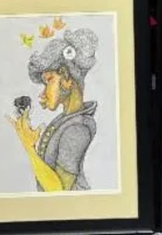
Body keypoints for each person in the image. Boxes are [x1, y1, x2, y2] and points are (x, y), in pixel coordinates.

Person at [10, 28, 98, 191]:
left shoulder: (77, 129)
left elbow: (58, 190)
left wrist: (29, 147)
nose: (43, 93)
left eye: (48, 81)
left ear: (66, 78)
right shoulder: (66, 120)